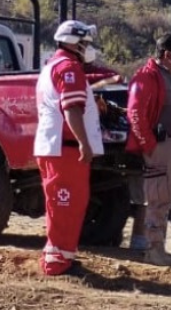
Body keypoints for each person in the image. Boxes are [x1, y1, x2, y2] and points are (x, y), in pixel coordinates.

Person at [34, 19, 104, 276]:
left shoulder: (54, 65)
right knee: (65, 203)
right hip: (64, 148)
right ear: (74, 42)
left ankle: (63, 256)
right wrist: (85, 142)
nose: (88, 46)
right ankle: (56, 262)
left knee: (68, 203)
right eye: (85, 42)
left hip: (59, 147)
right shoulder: (69, 68)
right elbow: (72, 108)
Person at [126, 33, 171, 266]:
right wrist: (149, 145)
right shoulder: (146, 76)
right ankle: (154, 249)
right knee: (159, 198)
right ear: (168, 54)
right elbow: (135, 113)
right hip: (163, 145)